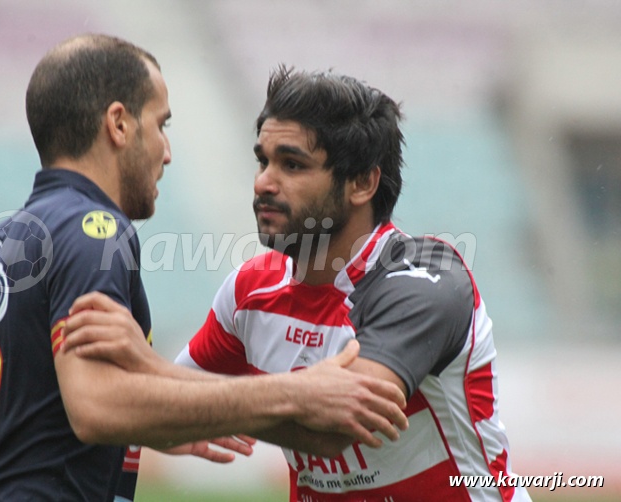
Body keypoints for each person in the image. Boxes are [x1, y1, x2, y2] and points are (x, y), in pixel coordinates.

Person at [0, 35, 408, 502]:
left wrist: (158, 420)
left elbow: (40, 404)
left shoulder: (2, 239)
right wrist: (295, 392)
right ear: (119, 125)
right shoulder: (93, 230)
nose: (167, 152)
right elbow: (96, 406)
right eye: (161, 124)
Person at [63, 67, 532, 501]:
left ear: (363, 183)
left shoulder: (424, 280)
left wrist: (148, 366)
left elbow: (336, 428)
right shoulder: (249, 292)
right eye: (263, 161)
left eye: (292, 165)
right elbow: (169, 413)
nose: (264, 182)